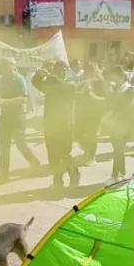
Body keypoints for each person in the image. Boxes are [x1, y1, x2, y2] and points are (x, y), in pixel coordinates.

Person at [31, 61, 81, 189]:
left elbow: (64, 87)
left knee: (64, 153)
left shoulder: (71, 84)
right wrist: (39, 73)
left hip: (65, 124)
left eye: (64, 69)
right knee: (52, 155)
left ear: (68, 71)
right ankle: (58, 180)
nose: (62, 72)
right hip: (50, 124)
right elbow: (35, 83)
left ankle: (74, 174)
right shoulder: (51, 84)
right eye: (59, 69)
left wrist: (52, 76)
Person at [0, 58, 39, 182]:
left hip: (18, 115)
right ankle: (4, 174)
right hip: (5, 116)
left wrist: (5, 102)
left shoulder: (19, 79)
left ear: (13, 66)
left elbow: (23, 99)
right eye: (2, 66)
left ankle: (35, 163)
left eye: (6, 66)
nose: (3, 68)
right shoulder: (0, 80)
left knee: (20, 142)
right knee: (4, 146)